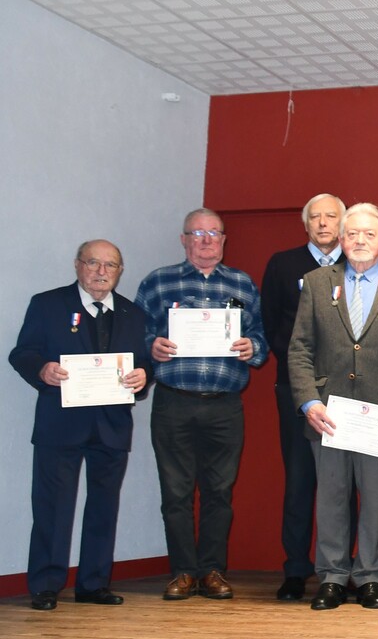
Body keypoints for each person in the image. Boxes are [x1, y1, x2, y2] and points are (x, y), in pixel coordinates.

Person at [288, 202, 378, 610]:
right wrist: (308, 401)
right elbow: (299, 349)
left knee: (376, 499)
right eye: (353, 234)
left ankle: (369, 578)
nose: (360, 240)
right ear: (341, 240)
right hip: (328, 413)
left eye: (369, 234)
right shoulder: (315, 282)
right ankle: (331, 578)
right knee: (330, 496)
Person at [135, 208, 268, 602]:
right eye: (198, 233)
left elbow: (260, 335)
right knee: (175, 492)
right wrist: (150, 347)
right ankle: (182, 572)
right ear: (184, 239)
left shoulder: (242, 284)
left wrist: (252, 347)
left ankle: (211, 570)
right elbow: (134, 334)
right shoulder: (158, 282)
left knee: (219, 491)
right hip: (173, 402)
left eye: (214, 233)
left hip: (224, 405)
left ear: (224, 240)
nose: (207, 240)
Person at [10, 240, 150, 611]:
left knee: (104, 508)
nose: (101, 271)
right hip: (61, 424)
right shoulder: (47, 304)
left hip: (112, 425)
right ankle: (45, 585)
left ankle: (93, 584)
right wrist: (42, 369)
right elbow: (21, 352)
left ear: (120, 271)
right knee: (52, 508)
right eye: (93, 263)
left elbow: (143, 363)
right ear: (77, 265)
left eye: (111, 265)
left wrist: (143, 376)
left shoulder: (133, 314)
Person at [260, 193, 346, 601]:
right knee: (299, 482)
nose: (324, 223)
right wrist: (306, 376)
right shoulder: (283, 264)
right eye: (316, 217)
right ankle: (295, 569)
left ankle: (341, 570)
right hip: (297, 390)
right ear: (306, 224)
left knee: (345, 484)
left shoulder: (358, 265)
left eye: (332, 216)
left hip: (349, 394)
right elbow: (272, 327)